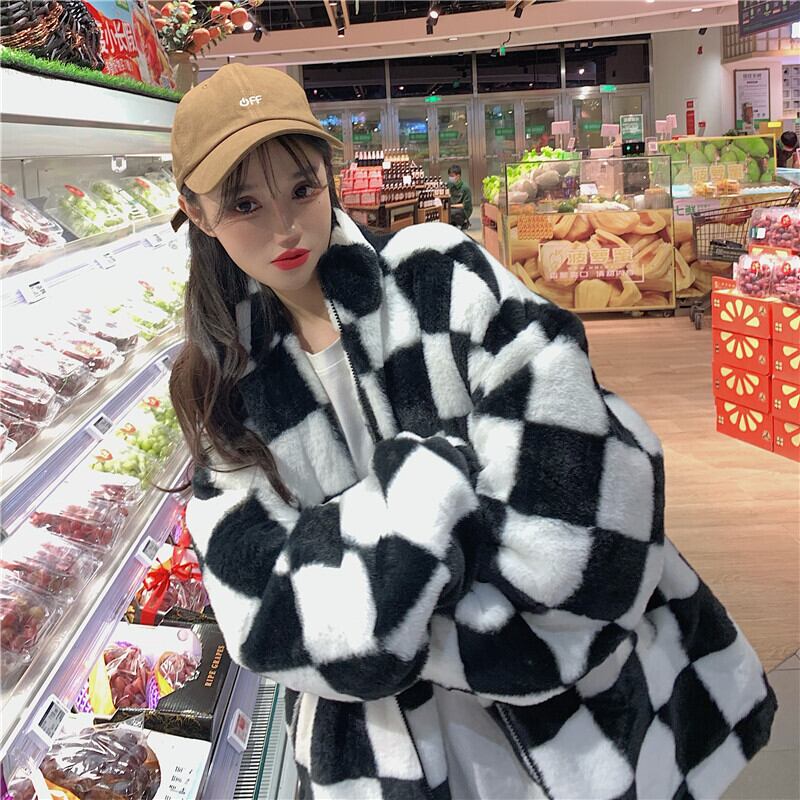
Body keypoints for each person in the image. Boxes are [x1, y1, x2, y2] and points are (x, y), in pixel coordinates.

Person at [170, 64, 776, 800]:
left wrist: (374, 591)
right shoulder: (223, 387)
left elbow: (586, 509)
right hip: (401, 757)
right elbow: (265, 621)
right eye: (244, 204)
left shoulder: (436, 272)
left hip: (588, 721)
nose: (286, 227)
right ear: (197, 213)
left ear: (328, 175)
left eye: (303, 188)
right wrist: (444, 481)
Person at [447, 164, 473, 230]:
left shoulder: (465, 188)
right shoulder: (448, 185)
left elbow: (465, 205)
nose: (450, 178)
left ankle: (464, 222)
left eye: (452, 176)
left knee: (453, 212)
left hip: (464, 210)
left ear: (458, 176)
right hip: (452, 208)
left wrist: (451, 206)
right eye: (449, 176)